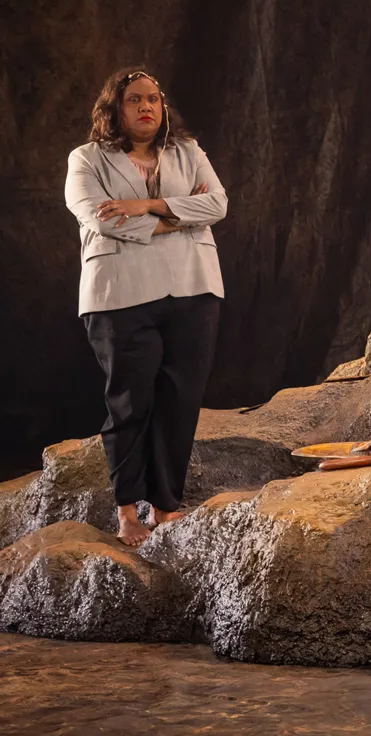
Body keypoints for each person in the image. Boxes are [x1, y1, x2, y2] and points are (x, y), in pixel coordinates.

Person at [64, 68, 227, 546]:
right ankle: (128, 512)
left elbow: (217, 204)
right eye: (134, 100)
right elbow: (99, 216)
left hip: (193, 290)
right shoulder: (86, 159)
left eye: (153, 99)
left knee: (179, 402)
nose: (146, 107)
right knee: (131, 403)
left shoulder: (188, 151)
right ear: (115, 108)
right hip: (120, 294)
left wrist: (144, 206)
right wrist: (178, 214)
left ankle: (166, 506)